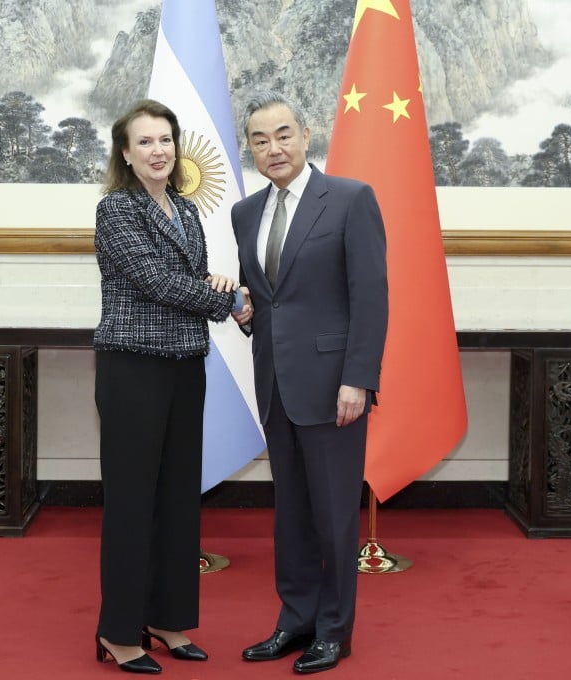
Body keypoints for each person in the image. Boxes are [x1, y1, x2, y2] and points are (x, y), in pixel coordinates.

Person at [231, 91, 388, 674]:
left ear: (306, 135)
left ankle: (333, 630)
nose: (273, 148)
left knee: (334, 514)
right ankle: (294, 621)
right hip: (275, 383)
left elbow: (371, 298)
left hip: (334, 389)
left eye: (283, 134)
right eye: (260, 139)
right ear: (250, 147)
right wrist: (248, 317)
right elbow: (269, 300)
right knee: (291, 513)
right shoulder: (245, 213)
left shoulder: (349, 199)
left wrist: (359, 379)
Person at [93, 99, 248, 674]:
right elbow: (157, 281)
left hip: (185, 367)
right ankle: (119, 632)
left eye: (166, 140)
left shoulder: (185, 210)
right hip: (133, 369)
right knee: (133, 503)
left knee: (179, 499)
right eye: (146, 142)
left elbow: (187, 279)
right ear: (127, 154)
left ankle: (166, 619)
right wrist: (228, 300)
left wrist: (216, 289)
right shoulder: (117, 210)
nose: (159, 151)